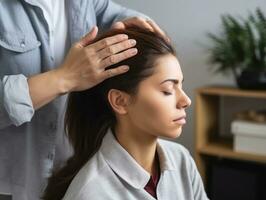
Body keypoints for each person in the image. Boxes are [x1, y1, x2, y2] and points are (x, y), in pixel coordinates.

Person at [0, 1, 168, 199]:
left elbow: (115, 14)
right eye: (167, 90)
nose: (185, 101)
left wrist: (138, 27)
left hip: (71, 171)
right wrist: (65, 78)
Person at [43, 27, 209, 200]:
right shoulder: (91, 192)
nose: (186, 101)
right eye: (168, 90)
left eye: (180, 85)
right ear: (120, 101)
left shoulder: (181, 159)